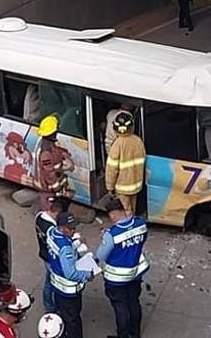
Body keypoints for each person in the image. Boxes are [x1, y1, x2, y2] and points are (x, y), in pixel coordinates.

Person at [95, 199, 148, 338]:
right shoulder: (140, 223)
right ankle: (135, 333)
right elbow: (142, 241)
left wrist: (104, 240)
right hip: (135, 273)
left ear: (112, 215)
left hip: (116, 278)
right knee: (134, 302)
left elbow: (101, 255)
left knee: (121, 307)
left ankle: (123, 335)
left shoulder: (112, 234)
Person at [45, 211, 94, 338]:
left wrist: (75, 243)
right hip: (68, 290)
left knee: (64, 314)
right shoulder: (65, 248)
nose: (73, 231)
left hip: (56, 284)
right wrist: (87, 275)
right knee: (73, 320)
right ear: (61, 227)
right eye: (70, 228)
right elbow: (71, 273)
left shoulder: (51, 232)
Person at [104, 111, 146, 214]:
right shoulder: (138, 141)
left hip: (122, 188)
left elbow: (111, 170)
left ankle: (129, 228)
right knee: (133, 209)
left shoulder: (117, 145)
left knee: (126, 210)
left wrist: (110, 187)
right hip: (136, 185)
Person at [34, 196, 67, 312]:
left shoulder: (39, 217)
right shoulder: (51, 229)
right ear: (57, 213)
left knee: (48, 281)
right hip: (51, 258)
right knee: (54, 282)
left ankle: (48, 305)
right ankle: (51, 307)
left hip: (43, 254)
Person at [34, 115, 75, 208]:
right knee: (52, 211)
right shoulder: (46, 153)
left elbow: (56, 150)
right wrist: (58, 190)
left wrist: (64, 153)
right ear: (52, 133)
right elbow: (49, 174)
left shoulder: (47, 144)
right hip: (48, 190)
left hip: (51, 188)